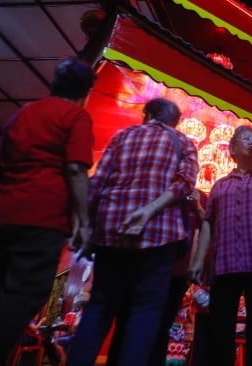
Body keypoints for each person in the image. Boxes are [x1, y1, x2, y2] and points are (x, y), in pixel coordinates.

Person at [67, 97, 199, 366]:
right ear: (175, 122)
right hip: (160, 236)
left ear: (147, 114)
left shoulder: (121, 137)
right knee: (146, 312)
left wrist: (85, 226)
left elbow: (97, 185)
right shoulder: (183, 142)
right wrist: (150, 210)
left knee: (100, 307)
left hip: (112, 231)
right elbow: (185, 183)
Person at [0, 57, 96, 364]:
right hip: (42, 219)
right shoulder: (76, 116)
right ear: (86, 91)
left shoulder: (27, 111)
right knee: (23, 297)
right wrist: (83, 222)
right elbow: (76, 169)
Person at [188, 124, 252, 366]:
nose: (251, 141)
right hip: (225, 261)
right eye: (245, 138)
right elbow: (208, 224)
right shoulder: (220, 185)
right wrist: (199, 260)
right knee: (220, 328)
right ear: (231, 149)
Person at [105, 188, 207, 366]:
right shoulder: (157, 187)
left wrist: (197, 205)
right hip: (144, 266)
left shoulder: (199, 196)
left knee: (162, 327)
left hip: (179, 272)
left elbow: (207, 226)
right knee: (128, 322)